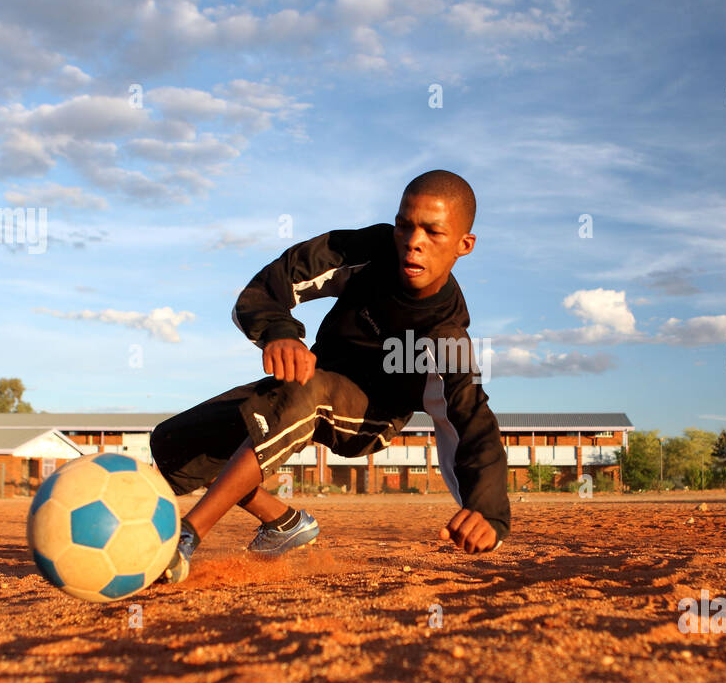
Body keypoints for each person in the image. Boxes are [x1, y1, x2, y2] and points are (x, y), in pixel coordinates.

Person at [148, 169, 509, 582]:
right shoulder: (369, 250)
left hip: (372, 417)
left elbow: (471, 419)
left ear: (465, 244)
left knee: (308, 392)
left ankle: (185, 538)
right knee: (177, 440)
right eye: (404, 225)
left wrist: (488, 512)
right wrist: (280, 333)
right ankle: (282, 522)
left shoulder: (445, 332)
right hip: (312, 379)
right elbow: (273, 283)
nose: (413, 242)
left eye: (433, 232)